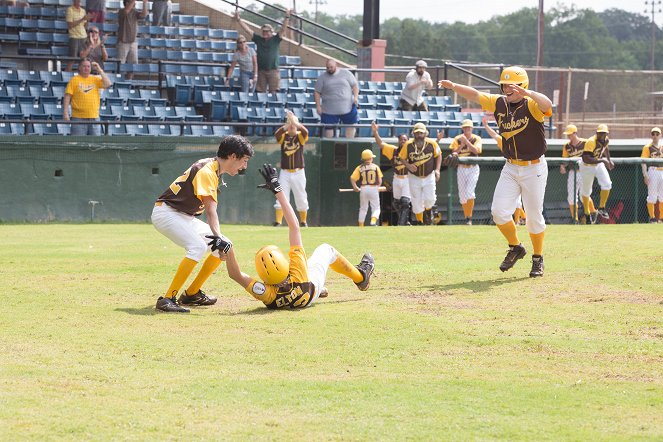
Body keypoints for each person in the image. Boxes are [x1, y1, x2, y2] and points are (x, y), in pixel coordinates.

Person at [439, 66, 552, 277]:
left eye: (512, 86)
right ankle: (516, 247)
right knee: (499, 212)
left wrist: (527, 93)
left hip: (534, 167)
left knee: (534, 217)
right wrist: (454, 86)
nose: (507, 89)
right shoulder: (499, 102)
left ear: (523, 86)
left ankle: (538, 258)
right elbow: (475, 95)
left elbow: (548, 104)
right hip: (511, 166)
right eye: (504, 86)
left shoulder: (533, 105)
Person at [223, 164, 375, 309]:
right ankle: (361, 277)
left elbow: (235, 275)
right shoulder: (298, 273)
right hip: (310, 286)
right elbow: (294, 227)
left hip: (304, 294)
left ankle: (321, 289)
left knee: (310, 268)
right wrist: (278, 191)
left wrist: (228, 249)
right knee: (326, 249)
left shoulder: (268, 294)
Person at [151, 135, 255, 313]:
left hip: (183, 216)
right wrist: (217, 236)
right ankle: (168, 298)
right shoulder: (208, 171)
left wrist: (220, 239)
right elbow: (210, 211)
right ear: (232, 156)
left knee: (223, 245)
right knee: (198, 247)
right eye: (244, 160)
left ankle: (191, 294)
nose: (245, 166)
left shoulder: (213, 167)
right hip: (167, 213)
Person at [482, 116, 527, 225]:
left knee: (523, 201)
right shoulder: (503, 140)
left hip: (526, 168)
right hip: (512, 168)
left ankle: (523, 218)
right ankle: (519, 220)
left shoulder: (520, 139)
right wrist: (486, 126)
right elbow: (494, 135)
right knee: (516, 200)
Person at [234, 9, 291, 93]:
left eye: (267, 31)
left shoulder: (276, 39)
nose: (264, 32)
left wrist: (287, 17)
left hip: (273, 70)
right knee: (260, 93)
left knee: (274, 93)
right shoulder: (259, 39)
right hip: (261, 71)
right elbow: (248, 30)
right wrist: (239, 20)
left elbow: (283, 29)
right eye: (263, 31)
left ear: (271, 32)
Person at [398, 122, 441, 225]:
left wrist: (438, 170)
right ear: (413, 134)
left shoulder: (432, 143)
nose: (419, 135)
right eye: (417, 133)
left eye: (421, 133)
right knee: (416, 202)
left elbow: (439, 155)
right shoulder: (408, 145)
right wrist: (408, 165)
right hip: (414, 177)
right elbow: (401, 157)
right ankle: (420, 222)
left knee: (430, 199)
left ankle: (428, 212)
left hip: (428, 175)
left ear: (425, 133)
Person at [272, 111, 310, 227]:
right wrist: (287, 124)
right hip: (285, 172)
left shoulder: (300, 137)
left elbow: (305, 131)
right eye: (289, 124)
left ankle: (303, 221)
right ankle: (278, 221)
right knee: (281, 195)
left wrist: (294, 122)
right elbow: (277, 134)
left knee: (301, 196)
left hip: (298, 172)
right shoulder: (284, 137)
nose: (292, 126)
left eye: (293, 124)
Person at [371, 121, 411, 225]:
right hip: (397, 178)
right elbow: (380, 144)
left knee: (405, 202)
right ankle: (405, 221)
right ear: (398, 141)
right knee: (396, 202)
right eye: (401, 139)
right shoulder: (393, 151)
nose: (403, 141)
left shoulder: (412, 152)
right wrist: (375, 132)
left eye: (405, 140)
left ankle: (401, 224)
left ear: (408, 141)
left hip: (408, 178)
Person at [447, 119, 482, 225]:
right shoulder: (457, 139)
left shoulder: (476, 138)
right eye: (465, 127)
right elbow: (453, 152)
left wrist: (467, 142)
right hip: (461, 168)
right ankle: (467, 216)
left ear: (472, 128)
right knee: (462, 196)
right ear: (462, 128)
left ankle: (469, 218)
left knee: (470, 193)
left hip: (473, 168)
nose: (467, 129)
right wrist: (462, 144)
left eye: (469, 127)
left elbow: (477, 151)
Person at [63, 59, 111, 136]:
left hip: (94, 118)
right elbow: (67, 96)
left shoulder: (95, 79)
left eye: (88, 66)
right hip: (78, 118)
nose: (86, 68)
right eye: (84, 66)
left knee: (94, 145)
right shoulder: (74, 80)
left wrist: (99, 69)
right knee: (78, 143)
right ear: (79, 68)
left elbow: (108, 84)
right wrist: (65, 112)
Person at [314, 59, 359, 138]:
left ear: (336, 65)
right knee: (328, 131)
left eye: (331, 67)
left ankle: (349, 144)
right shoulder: (322, 77)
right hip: (329, 110)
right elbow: (317, 92)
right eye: (328, 68)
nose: (329, 69)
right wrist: (318, 106)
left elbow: (355, 86)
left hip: (347, 107)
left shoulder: (346, 74)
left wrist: (355, 97)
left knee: (351, 126)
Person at [581, 124, 614, 224]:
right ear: (597, 133)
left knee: (607, 184)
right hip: (587, 166)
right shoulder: (591, 141)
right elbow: (585, 158)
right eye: (600, 133)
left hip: (598, 164)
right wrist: (603, 160)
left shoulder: (606, 140)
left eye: (604, 133)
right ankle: (587, 213)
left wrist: (609, 160)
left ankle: (601, 207)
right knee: (586, 192)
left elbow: (605, 149)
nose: (602, 136)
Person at [560, 124, 590, 224]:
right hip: (573, 172)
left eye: (570, 134)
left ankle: (592, 213)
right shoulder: (567, 146)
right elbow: (564, 159)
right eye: (567, 134)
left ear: (575, 133)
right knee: (571, 198)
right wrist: (562, 166)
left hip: (584, 171)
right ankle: (575, 219)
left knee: (584, 196)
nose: (568, 136)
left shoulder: (585, 143)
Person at [350, 149, 383, 227]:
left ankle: (361, 225)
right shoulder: (375, 167)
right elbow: (380, 180)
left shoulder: (359, 168)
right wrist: (377, 187)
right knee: (376, 208)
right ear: (371, 158)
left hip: (363, 188)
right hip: (373, 188)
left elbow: (352, 178)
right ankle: (373, 221)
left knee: (363, 208)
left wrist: (355, 187)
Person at [117, 0, 148, 80]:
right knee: (120, 64)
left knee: (133, 65)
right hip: (123, 42)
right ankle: (119, 81)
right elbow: (126, 11)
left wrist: (145, 3)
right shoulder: (121, 11)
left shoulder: (135, 12)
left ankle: (129, 82)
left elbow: (144, 14)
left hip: (133, 42)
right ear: (126, 3)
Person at [641, 126, 663, 223]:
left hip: (662, 170)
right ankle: (652, 218)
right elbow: (643, 161)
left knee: (662, 196)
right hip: (653, 170)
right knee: (652, 196)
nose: (655, 136)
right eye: (653, 134)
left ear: (660, 135)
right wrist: (645, 174)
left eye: (657, 134)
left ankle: (661, 218)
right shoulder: (647, 147)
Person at [65, 0, 91, 72]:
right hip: (74, 37)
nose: (79, 2)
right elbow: (70, 25)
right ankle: (67, 76)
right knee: (72, 60)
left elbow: (84, 25)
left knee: (84, 59)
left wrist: (88, 19)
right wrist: (83, 19)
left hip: (83, 37)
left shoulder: (83, 11)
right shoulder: (70, 10)